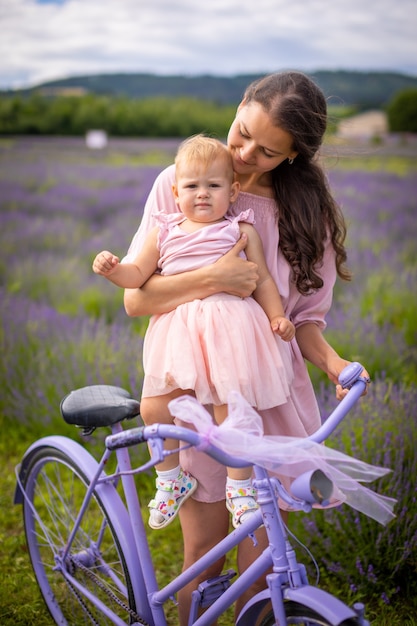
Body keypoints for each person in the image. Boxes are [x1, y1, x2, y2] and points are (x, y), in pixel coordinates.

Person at [121, 71, 371, 624]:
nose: (243, 154)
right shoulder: (181, 180)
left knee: (262, 563)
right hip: (198, 391)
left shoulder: (308, 216)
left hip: (268, 397)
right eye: (242, 133)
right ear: (237, 108)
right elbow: (137, 301)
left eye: (266, 151)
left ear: (293, 156)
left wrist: (335, 364)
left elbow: (305, 320)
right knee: (201, 557)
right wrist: (218, 276)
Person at [93, 134, 295, 532]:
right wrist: (114, 269)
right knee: (153, 407)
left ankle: (240, 486)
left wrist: (277, 316)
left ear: (233, 191)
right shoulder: (164, 231)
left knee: (230, 407)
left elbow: (264, 281)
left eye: (214, 186)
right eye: (191, 186)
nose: (202, 194)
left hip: (230, 334)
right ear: (175, 191)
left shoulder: (240, 230)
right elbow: (137, 276)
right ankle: (170, 478)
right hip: (179, 334)